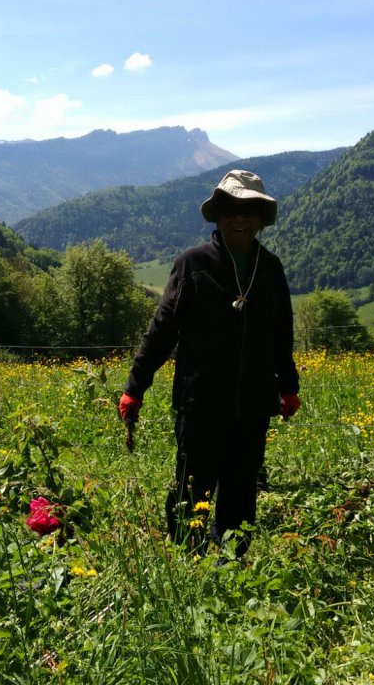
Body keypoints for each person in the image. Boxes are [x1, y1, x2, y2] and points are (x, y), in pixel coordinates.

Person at [118, 169, 301, 558]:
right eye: (232, 209)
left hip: (253, 404)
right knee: (192, 485)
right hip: (200, 403)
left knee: (241, 484)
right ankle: (188, 556)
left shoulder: (270, 269)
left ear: (260, 218)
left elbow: (281, 333)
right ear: (218, 214)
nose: (240, 219)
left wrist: (288, 385)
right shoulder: (192, 265)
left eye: (249, 210)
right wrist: (135, 387)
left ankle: (232, 561)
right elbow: (162, 330)